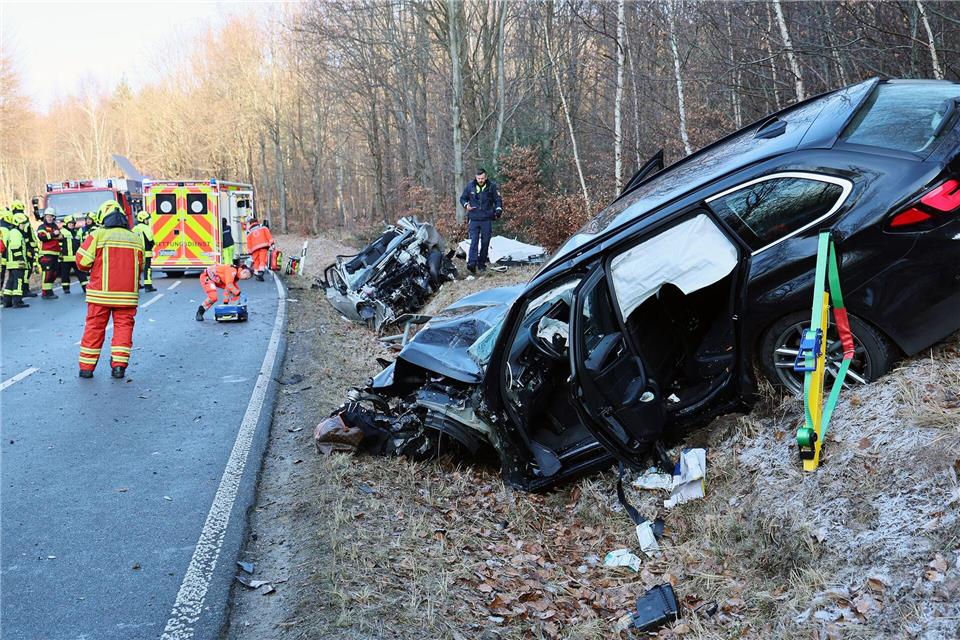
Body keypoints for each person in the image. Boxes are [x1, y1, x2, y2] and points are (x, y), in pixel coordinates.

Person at [76, 200, 144, 379]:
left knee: (94, 329)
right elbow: (141, 266)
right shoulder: (136, 238)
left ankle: (86, 369)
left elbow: (82, 262)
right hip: (127, 296)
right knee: (123, 328)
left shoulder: (98, 235)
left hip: (100, 294)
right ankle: (119, 367)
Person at [458, 168, 503, 273]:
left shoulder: (492, 186)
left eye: (482, 178)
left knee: (485, 242)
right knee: (474, 241)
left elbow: (497, 200)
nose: (481, 180)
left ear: (486, 177)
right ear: (475, 177)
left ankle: (481, 264)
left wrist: (498, 209)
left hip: (487, 218)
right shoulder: (470, 186)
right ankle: (472, 263)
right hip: (474, 218)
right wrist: (466, 205)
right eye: (478, 178)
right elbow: (462, 198)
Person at [0, 212, 32, 308]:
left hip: (11, 262)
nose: (24, 226)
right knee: (18, 281)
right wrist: (21, 259)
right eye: (22, 224)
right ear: (18, 223)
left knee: (11, 281)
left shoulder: (12, 232)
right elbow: (15, 248)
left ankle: (7, 301)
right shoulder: (16, 233)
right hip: (17, 262)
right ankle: (17, 301)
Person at [9, 200, 38, 297]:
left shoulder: (11, 218)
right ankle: (24, 290)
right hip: (24, 247)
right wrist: (33, 247)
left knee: (14, 275)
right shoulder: (23, 218)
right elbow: (29, 233)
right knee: (25, 270)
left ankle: (15, 293)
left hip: (12, 249)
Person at [36, 207, 61, 299]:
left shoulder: (55, 226)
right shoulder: (42, 227)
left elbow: (61, 237)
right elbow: (41, 236)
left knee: (54, 273)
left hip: (55, 254)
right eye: (48, 216)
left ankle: (49, 291)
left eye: (51, 216)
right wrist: (53, 234)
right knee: (47, 273)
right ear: (45, 217)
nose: (50, 218)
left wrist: (59, 236)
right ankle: (45, 293)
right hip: (46, 254)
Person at [58, 215, 87, 293]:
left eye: (73, 223)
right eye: (70, 223)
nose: (71, 225)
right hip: (65, 257)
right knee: (65, 274)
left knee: (81, 273)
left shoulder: (75, 232)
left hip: (75, 257)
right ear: (66, 224)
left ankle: (85, 287)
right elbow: (58, 243)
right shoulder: (62, 231)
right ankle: (66, 288)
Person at [132, 211, 156, 292]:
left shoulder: (134, 228)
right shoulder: (146, 228)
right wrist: (152, 244)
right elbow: (151, 240)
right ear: (143, 219)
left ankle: (137, 285)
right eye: (147, 219)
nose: (148, 221)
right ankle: (148, 286)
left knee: (136, 269)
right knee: (147, 269)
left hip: (136, 252)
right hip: (147, 252)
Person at [245, 217, 274, 281]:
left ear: (250, 224)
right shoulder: (263, 227)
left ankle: (256, 273)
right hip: (263, 247)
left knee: (256, 261)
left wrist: (249, 251)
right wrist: (272, 244)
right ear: (257, 222)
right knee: (262, 260)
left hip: (254, 249)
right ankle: (261, 272)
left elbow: (249, 243)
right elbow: (268, 236)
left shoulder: (249, 232)